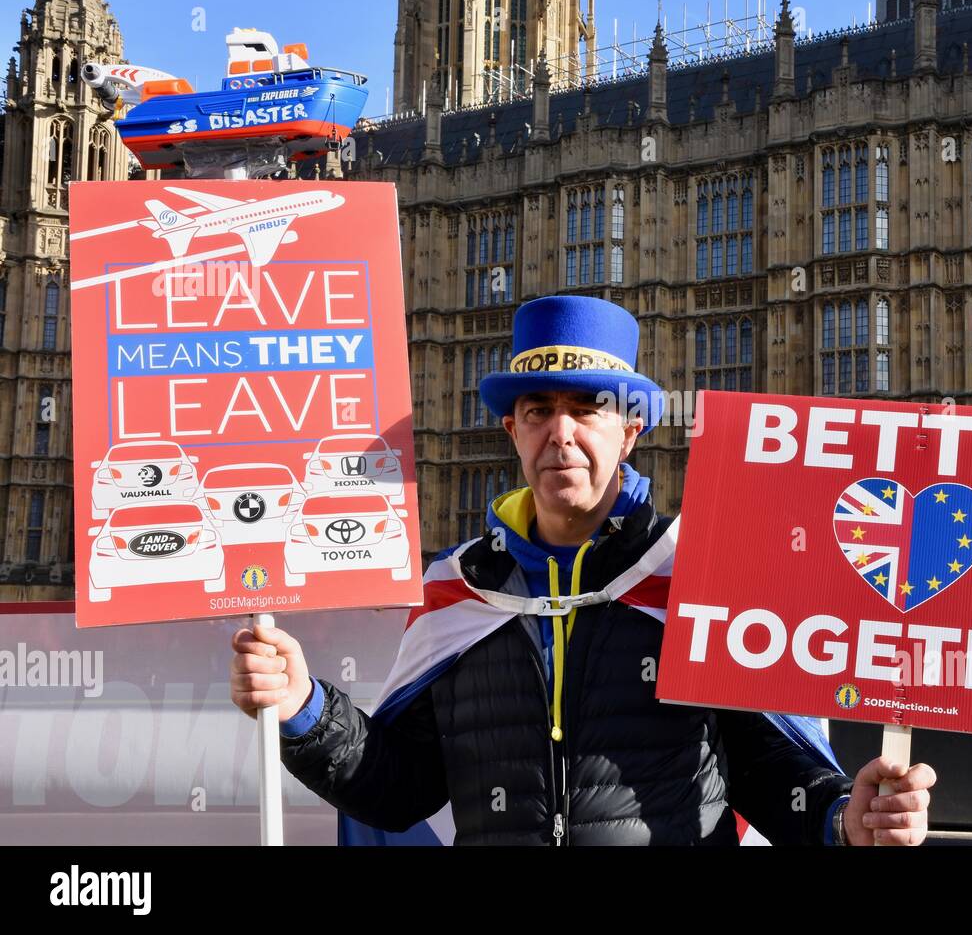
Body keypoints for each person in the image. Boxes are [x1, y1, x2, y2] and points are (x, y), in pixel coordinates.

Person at [229, 294, 935, 845]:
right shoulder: (458, 591)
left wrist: (844, 817)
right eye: (538, 410)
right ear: (513, 431)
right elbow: (399, 789)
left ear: (630, 428)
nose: (560, 433)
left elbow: (767, 770)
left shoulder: (699, 576)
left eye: (587, 407)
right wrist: (304, 709)